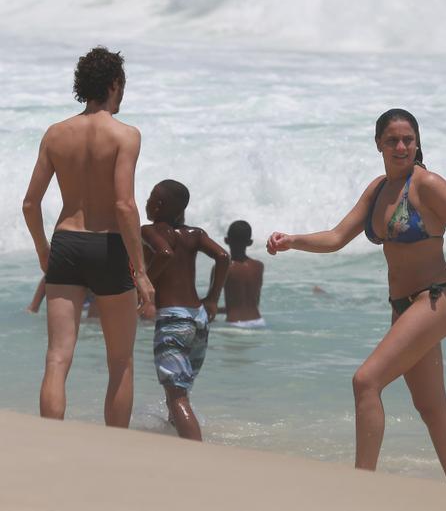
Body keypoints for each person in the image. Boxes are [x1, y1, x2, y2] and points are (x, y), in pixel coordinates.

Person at [267, 109, 446, 483]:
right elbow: (337, 237)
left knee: (365, 381)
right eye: (392, 140)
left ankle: (363, 485)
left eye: (408, 139)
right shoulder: (377, 190)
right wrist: (294, 240)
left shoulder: (429, 185)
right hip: (403, 308)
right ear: (378, 145)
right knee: (432, 409)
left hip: (434, 300)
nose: (401, 146)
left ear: (418, 143)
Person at [21, 46, 153, 427]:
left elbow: (30, 204)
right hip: (109, 246)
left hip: (66, 243)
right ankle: (114, 445)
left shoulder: (56, 134)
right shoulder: (125, 135)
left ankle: (50, 440)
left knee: (57, 357)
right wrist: (141, 272)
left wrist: (44, 250)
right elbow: (125, 205)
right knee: (121, 360)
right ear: (114, 84)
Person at [142, 179, 229, 440]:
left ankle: (194, 452)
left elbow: (165, 253)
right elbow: (223, 257)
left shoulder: (148, 231)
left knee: (177, 395)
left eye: (150, 197)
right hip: (198, 318)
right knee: (181, 389)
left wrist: (144, 284)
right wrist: (213, 298)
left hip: (172, 319)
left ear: (157, 205)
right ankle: (175, 439)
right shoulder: (195, 234)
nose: (146, 202)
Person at [217, 220, 265, 328]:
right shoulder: (259, 266)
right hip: (258, 322)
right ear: (250, 242)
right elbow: (252, 303)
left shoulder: (223, 267)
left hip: (234, 324)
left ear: (226, 240)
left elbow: (211, 303)